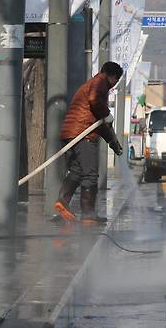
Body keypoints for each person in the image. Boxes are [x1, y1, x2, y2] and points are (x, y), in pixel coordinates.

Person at [54, 62, 123, 224]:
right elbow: (95, 104)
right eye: (116, 79)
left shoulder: (93, 83)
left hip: (70, 132)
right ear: (111, 76)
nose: (116, 83)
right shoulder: (100, 82)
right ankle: (88, 215)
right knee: (90, 174)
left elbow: (99, 121)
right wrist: (107, 114)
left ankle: (62, 203)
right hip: (82, 134)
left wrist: (112, 141)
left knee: (77, 172)